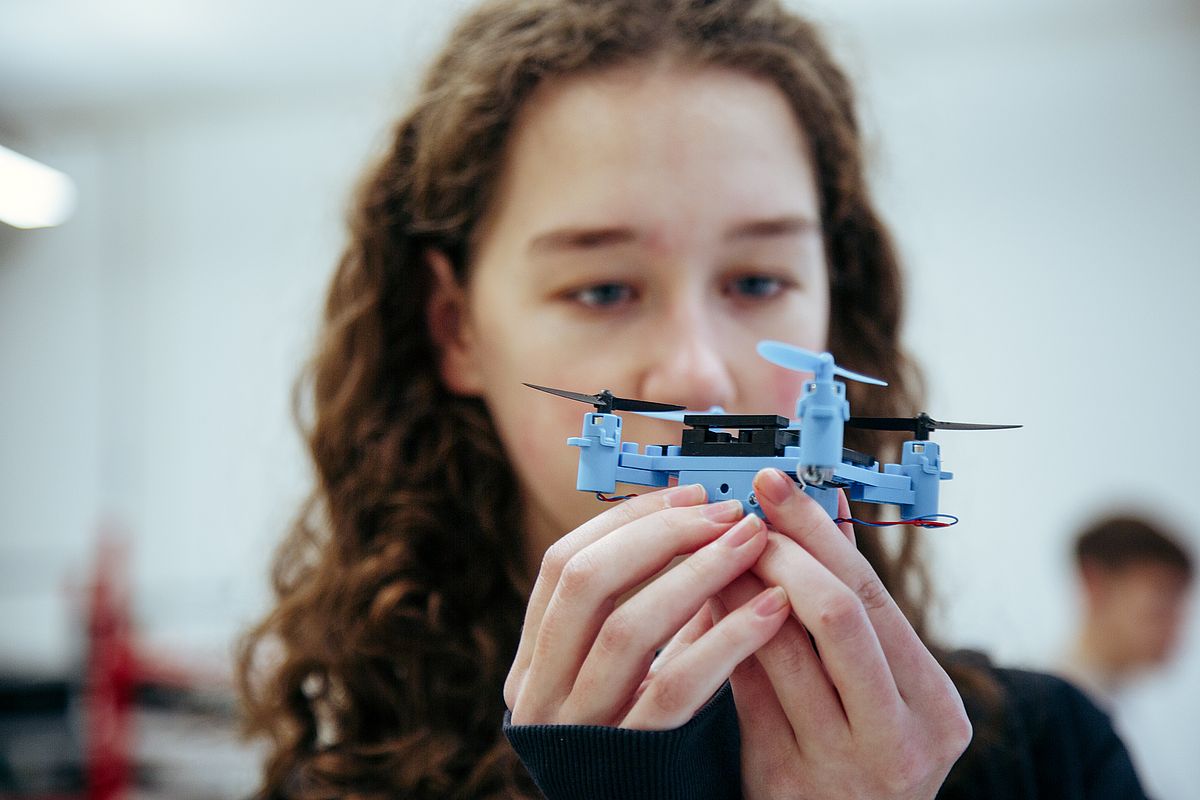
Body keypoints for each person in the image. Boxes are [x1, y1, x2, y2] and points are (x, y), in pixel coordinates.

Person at [237, 1, 1148, 797]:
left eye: (756, 281)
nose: (697, 377)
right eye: (603, 290)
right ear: (455, 329)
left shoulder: (1056, 758)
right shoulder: (339, 786)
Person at [1059, 513, 1194, 709]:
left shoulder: (1112, 703)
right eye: (1161, 602)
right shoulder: (1047, 711)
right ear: (1094, 584)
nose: (1177, 623)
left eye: (1180, 605)